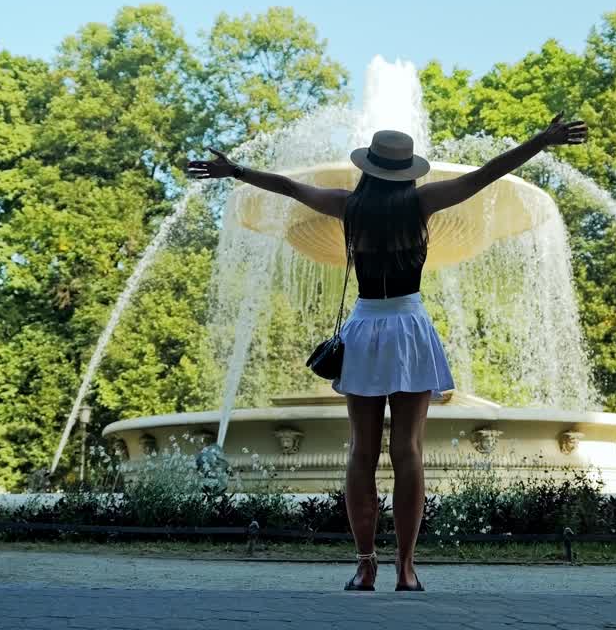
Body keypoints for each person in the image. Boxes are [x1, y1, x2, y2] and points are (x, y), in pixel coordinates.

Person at [185, 114, 588, 591]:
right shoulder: (423, 203)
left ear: (369, 168)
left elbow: (289, 187)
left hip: (365, 326)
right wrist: (540, 140)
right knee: (408, 451)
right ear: (407, 171)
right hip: (409, 328)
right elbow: (485, 175)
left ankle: (364, 562)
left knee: (361, 452)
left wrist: (236, 172)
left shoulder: (346, 205)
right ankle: (407, 566)